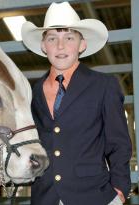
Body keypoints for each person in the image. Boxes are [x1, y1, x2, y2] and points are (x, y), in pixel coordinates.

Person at [21, 2, 132, 205]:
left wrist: (120, 189)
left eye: (69, 38)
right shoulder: (33, 92)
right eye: (52, 38)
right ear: (43, 46)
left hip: (95, 195)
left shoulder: (104, 85)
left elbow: (119, 143)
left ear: (82, 45)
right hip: (45, 197)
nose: (60, 46)